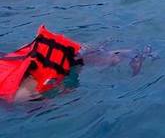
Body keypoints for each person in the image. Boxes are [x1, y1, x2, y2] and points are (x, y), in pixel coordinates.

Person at [0, 25, 153, 102]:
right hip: (49, 53)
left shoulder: (9, 93)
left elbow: (43, 101)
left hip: (47, 74)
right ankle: (131, 54)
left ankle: (130, 55)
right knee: (89, 56)